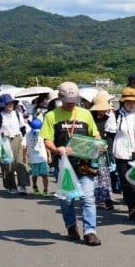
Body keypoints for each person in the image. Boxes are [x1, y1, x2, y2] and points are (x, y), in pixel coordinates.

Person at [40, 81, 103, 245]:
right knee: (68, 200)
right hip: (63, 166)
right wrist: (56, 150)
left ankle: (90, 231)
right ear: (60, 98)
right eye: (67, 101)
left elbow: (95, 134)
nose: (70, 104)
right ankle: (71, 226)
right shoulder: (51, 116)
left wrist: (99, 145)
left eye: (73, 101)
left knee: (88, 198)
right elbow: (47, 139)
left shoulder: (85, 114)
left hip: (84, 164)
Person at [113, 87, 135, 219]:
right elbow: (110, 134)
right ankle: (132, 206)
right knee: (126, 181)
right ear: (123, 102)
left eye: (134, 102)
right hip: (122, 153)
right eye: (128, 102)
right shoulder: (116, 116)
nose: (131, 104)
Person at [0, 93, 31, 194]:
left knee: (21, 163)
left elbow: (23, 128)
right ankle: (10, 186)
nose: (10, 105)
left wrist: (24, 141)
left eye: (11, 103)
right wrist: (2, 133)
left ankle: (22, 186)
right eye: (8, 104)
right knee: (7, 164)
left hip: (18, 139)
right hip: (5, 141)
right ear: (3, 105)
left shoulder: (17, 114)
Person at [89, 90, 117, 211]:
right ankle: (101, 199)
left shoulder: (109, 118)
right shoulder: (90, 119)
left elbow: (112, 136)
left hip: (105, 151)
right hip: (93, 150)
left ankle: (107, 198)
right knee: (96, 175)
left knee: (106, 176)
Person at [23, 116, 50, 195]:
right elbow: (24, 146)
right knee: (35, 175)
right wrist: (24, 157)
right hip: (33, 159)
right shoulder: (28, 134)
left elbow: (46, 145)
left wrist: (49, 156)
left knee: (45, 175)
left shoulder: (43, 133)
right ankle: (35, 185)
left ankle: (45, 190)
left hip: (43, 158)